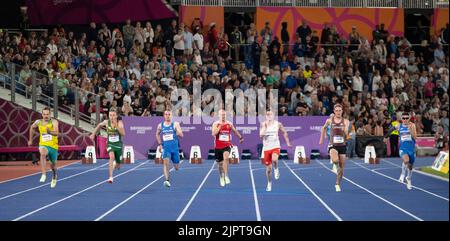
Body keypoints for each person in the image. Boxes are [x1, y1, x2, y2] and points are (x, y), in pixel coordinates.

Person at [319, 104, 350, 192]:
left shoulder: (346, 121)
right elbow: (323, 128)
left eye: (340, 110)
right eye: (336, 110)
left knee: (342, 168)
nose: (338, 112)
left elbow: (347, 131)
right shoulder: (329, 120)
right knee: (335, 160)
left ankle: (337, 184)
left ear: (342, 111)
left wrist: (345, 131)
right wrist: (321, 138)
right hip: (333, 145)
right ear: (334, 111)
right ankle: (335, 165)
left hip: (342, 145)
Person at [90, 108, 125, 183]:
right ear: (108, 116)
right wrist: (93, 134)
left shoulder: (120, 123)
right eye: (110, 115)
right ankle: (110, 177)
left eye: (113, 115)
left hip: (118, 145)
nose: (112, 117)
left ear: (116, 116)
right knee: (111, 157)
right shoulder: (106, 122)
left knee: (118, 166)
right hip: (110, 143)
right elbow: (99, 125)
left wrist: (117, 126)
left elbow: (123, 134)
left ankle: (117, 163)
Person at [260, 110, 291, 191]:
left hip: (275, 146)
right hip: (266, 148)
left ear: (273, 116)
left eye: (270, 114)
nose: (269, 116)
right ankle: (269, 183)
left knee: (274, 159)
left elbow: (284, 132)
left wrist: (287, 142)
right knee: (269, 170)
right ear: (266, 116)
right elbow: (260, 135)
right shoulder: (263, 124)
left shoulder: (278, 124)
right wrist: (265, 128)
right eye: (267, 114)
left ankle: (276, 169)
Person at [28, 107, 59, 188]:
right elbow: (31, 128)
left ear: (50, 115)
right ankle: (43, 174)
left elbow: (56, 133)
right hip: (43, 144)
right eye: (44, 114)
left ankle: (54, 176)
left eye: (47, 114)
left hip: (53, 146)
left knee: (53, 165)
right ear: (42, 114)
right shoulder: (38, 122)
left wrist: (50, 132)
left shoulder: (54, 122)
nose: (46, 116)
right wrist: (30, 140)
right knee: (42, 154)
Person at [384, 112, 417, 190]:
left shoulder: (412, 126)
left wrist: (410, 130)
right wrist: (386, 137)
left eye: (406, 118)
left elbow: (415, 138)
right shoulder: (399, 126)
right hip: (403, 148)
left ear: (409, 118)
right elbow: (391, 129)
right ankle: (402, 174)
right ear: (401, 119)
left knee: (410, 166)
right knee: (406, 160)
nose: (405, 120)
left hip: (411, 149)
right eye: (403, 118)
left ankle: (408, 178)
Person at [211, 109, 244, 187]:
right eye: (221, 115)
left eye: (224, 115)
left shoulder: (229, 123)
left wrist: (240, 137)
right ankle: (221, 177)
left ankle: (226, 176)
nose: (223, 116)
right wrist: (219, 127)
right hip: (218, 146)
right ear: (218, 116)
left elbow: (235, 131)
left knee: (226, 158)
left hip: (227, 145)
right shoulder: (216, 124)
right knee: (220, 165)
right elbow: (213, 133)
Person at [155, 110, 183, 187]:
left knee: (176, 167)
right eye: (166, 114)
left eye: (169, 114)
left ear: (171, 115)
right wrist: (160, 144)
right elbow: (157, 134)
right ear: (164, 116)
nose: (167, 116)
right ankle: (167, 180)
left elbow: (181, 135)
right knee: (166, 163)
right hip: (166, 148)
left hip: (175, 149)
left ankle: (177, 163)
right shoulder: (160, 125)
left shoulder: (175, 124)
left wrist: (177, 132)